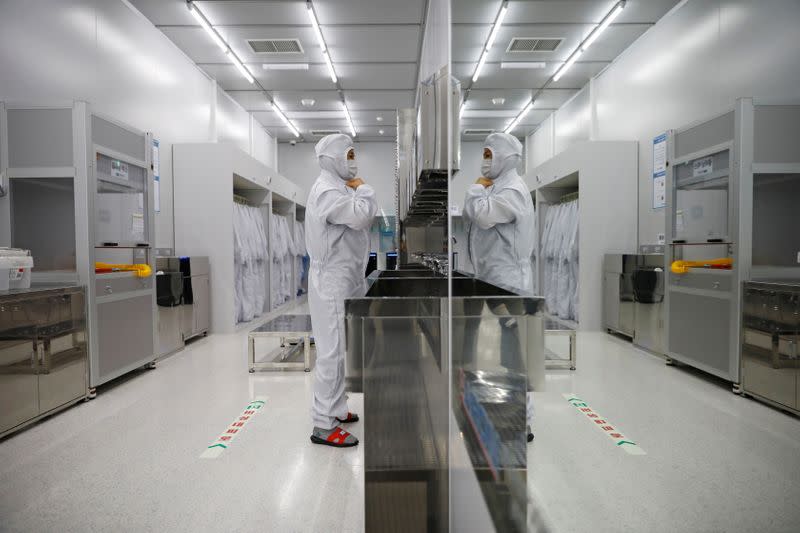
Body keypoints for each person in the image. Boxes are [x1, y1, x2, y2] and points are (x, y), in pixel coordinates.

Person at [463, 132, 537, 443]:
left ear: (507, 157)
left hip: (508, 284)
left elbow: (481, 215)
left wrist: (475, 188)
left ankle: (522, 420)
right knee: (505, 354)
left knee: (514, 356)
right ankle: (510, 412)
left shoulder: (513, 191)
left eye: (490, 154)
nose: (485, 161)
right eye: (485, 153)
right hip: (493, 280)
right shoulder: (500, 188)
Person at [305, 134, 378, 448]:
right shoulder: (326, 191)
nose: (352, 161)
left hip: (345, 279)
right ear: (333, 159)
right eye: (348, 155)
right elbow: (362, 216)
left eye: (354, 154)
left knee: (341, 350)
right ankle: (322, 424)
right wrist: (363, 186)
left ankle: (336, 409)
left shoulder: (337, 189)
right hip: (333, 283)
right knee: (332, 353)